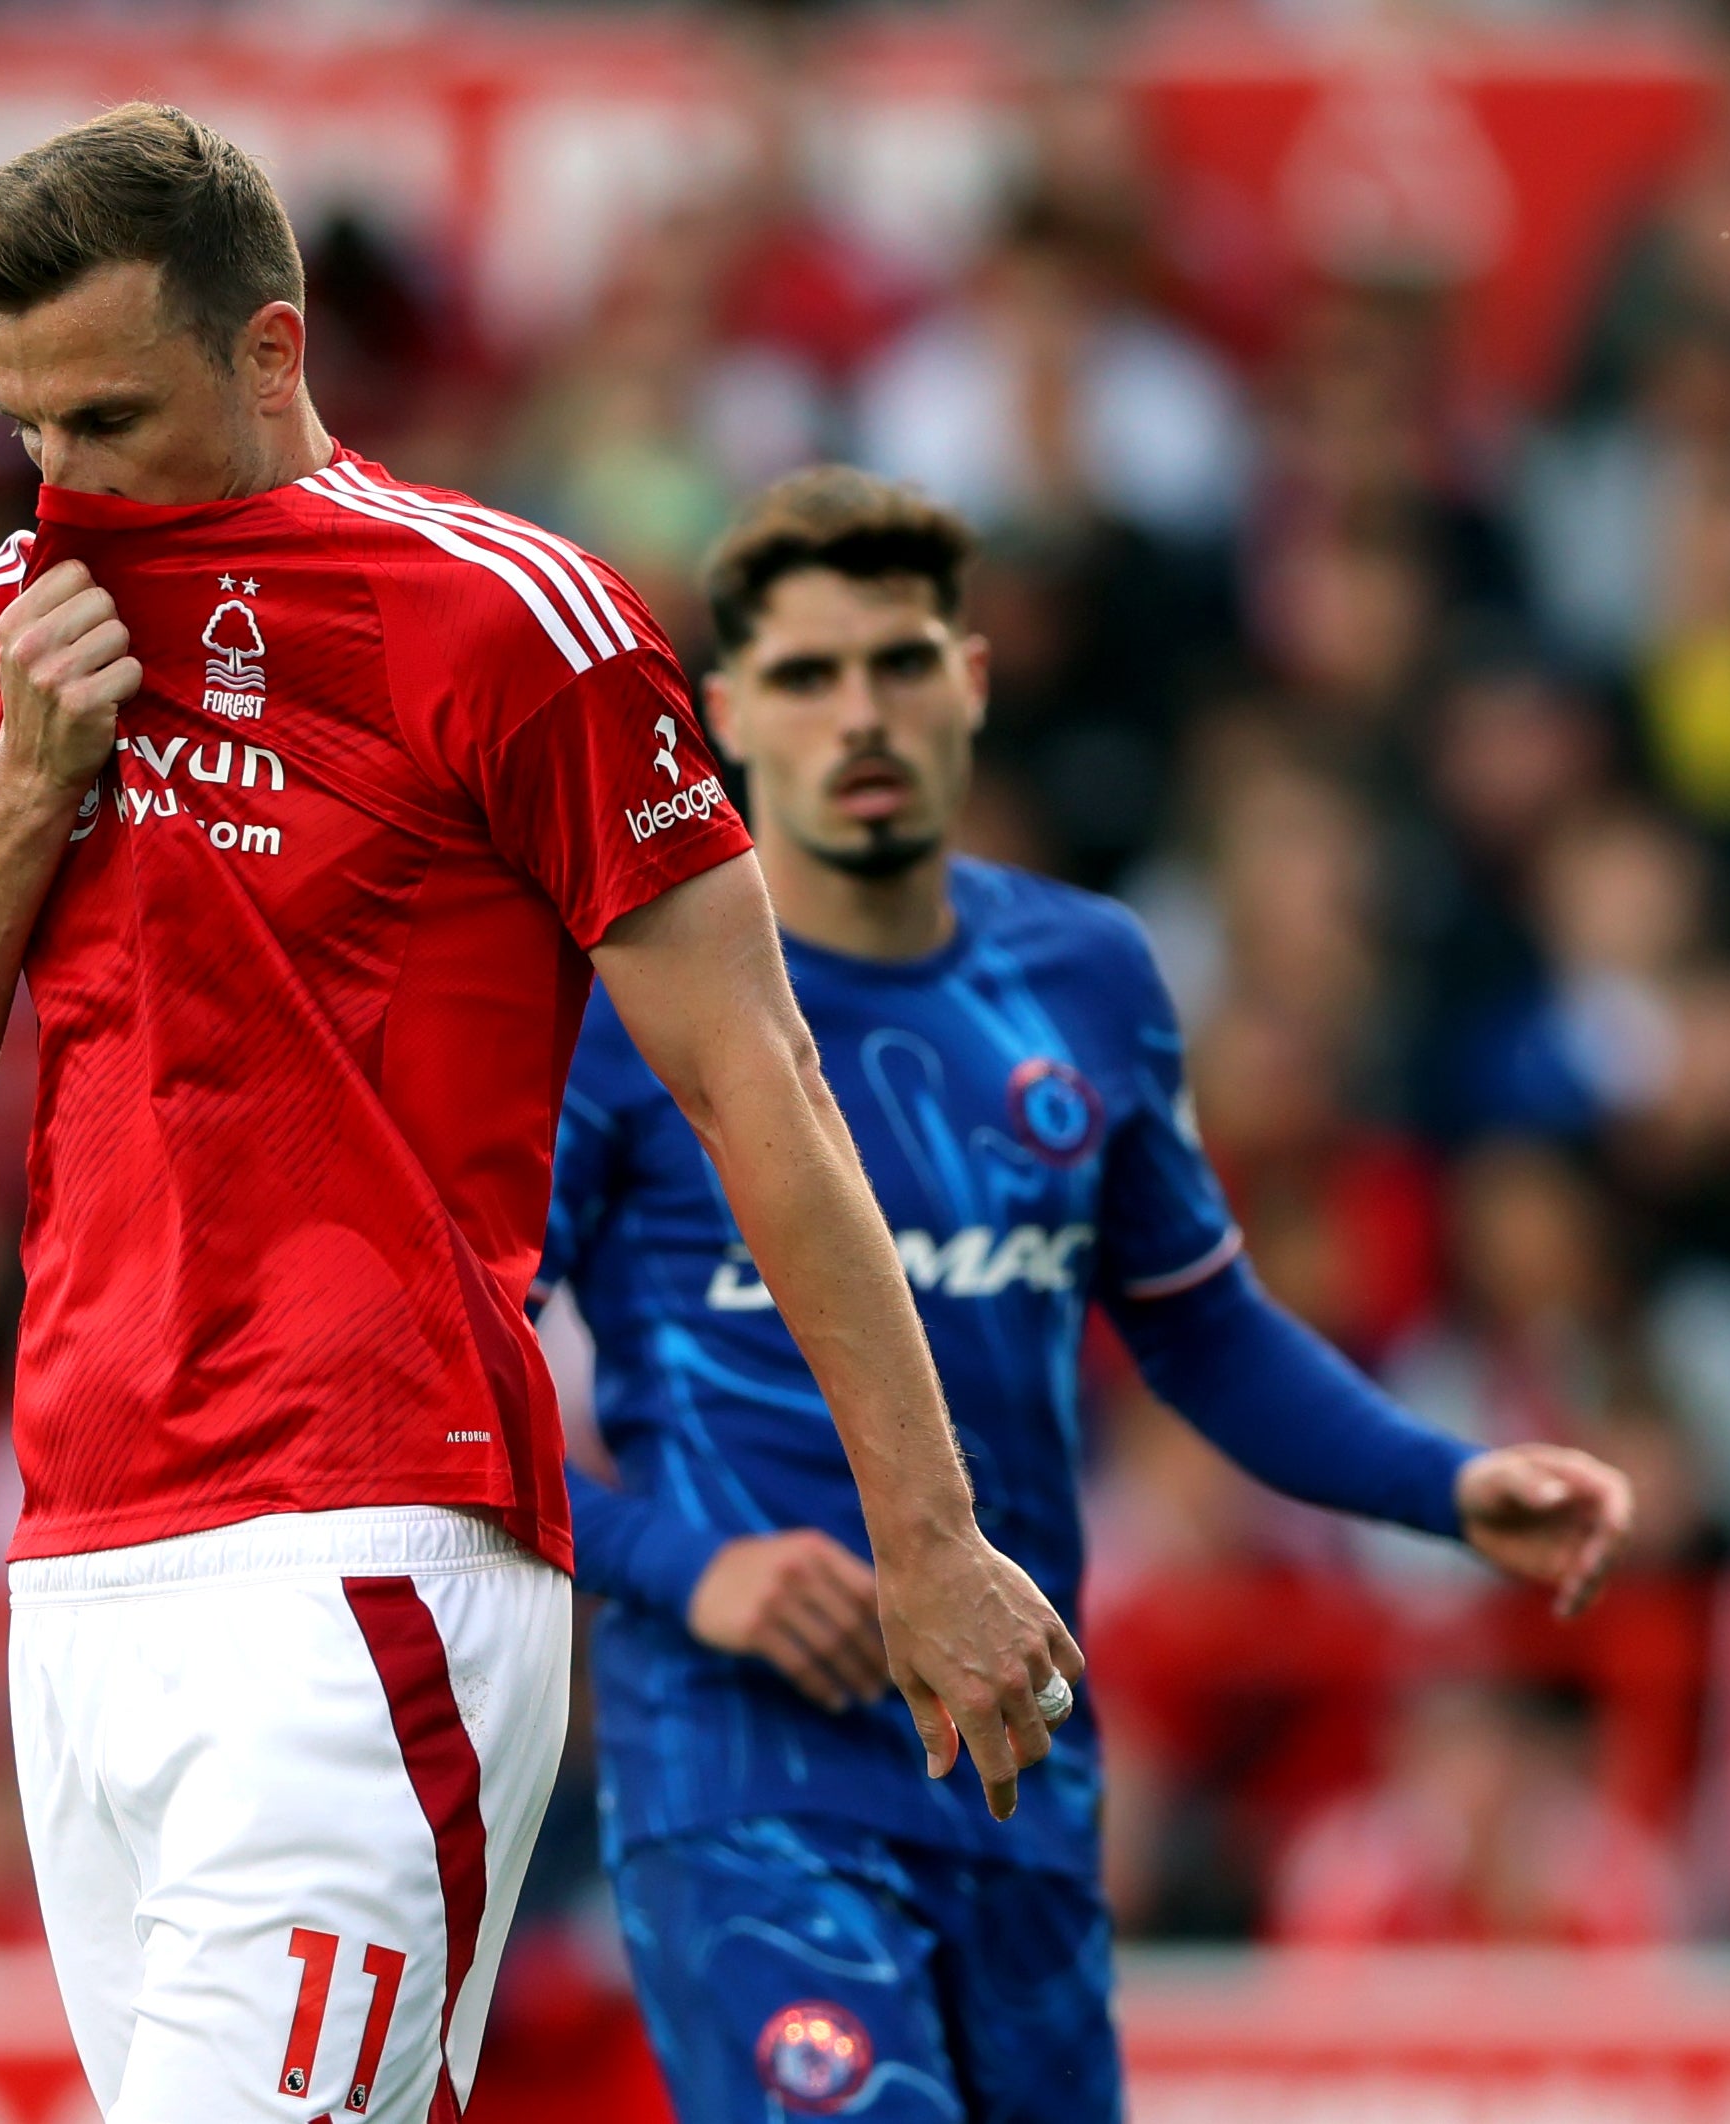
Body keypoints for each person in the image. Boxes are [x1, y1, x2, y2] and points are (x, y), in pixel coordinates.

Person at [0, 108, 1075, 2124]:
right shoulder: (11, 636)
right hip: (83, 1570)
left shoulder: (510, 623)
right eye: (25, 429)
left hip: (364, 1549)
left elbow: (764, 1088)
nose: (61, 485)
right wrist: (28, 785)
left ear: (274, 352)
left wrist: (926, 1542)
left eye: (111, 419)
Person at [546, 467, 1637, 2122]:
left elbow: (1197, 1325)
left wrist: (1444, 1481)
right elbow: (435, 1364)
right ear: (724, 714)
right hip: (737, 1759)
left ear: (972, 681)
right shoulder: (623, 1010)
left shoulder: (1084, 973)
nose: (861, 713)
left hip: (1012, 1760)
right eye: (807, 673)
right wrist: (679, 1568)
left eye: (900, 663)